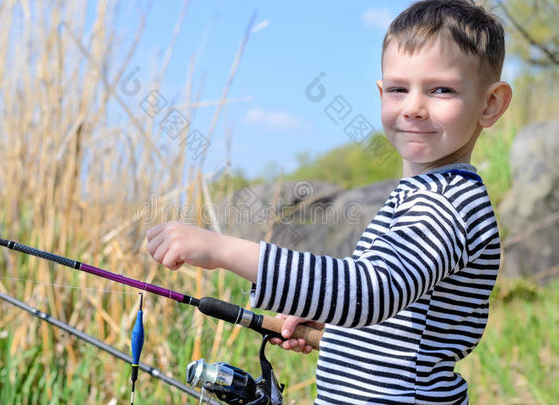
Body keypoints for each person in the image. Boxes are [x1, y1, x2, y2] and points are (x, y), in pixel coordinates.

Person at [145, 0, 512, 403]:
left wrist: (221, 249)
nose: (413, 107)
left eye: (442, 89)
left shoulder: (445, 204)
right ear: (381, 93)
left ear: (490, 103)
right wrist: (332, 324)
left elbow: (373, 291)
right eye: (398, 89)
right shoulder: (422, 196)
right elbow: (402, 323)